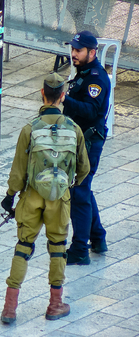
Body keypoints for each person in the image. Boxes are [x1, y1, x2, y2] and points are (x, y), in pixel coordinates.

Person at [0, 73, 90, 324]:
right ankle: (55, 304)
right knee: (58, 249)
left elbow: (18, 171)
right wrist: (67, 186)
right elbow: (84, 169)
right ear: (63, 96)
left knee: (23, 247)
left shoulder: (30, 129)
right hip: (59, 199)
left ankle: (9, 308)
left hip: (31, 197)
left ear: (42, 93)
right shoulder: (74, 129)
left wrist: (9, 196)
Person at [63, 31, 111, 265]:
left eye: (78, 50)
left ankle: (80, 250)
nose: (73, 53)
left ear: (92, 52)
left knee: (79, 192)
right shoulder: (83, 73)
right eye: (72, 49)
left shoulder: (97, 79)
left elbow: (91, 111)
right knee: (84, 188)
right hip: (80, 140)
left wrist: (64, 100)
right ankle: (98, 238)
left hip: (90, 142)